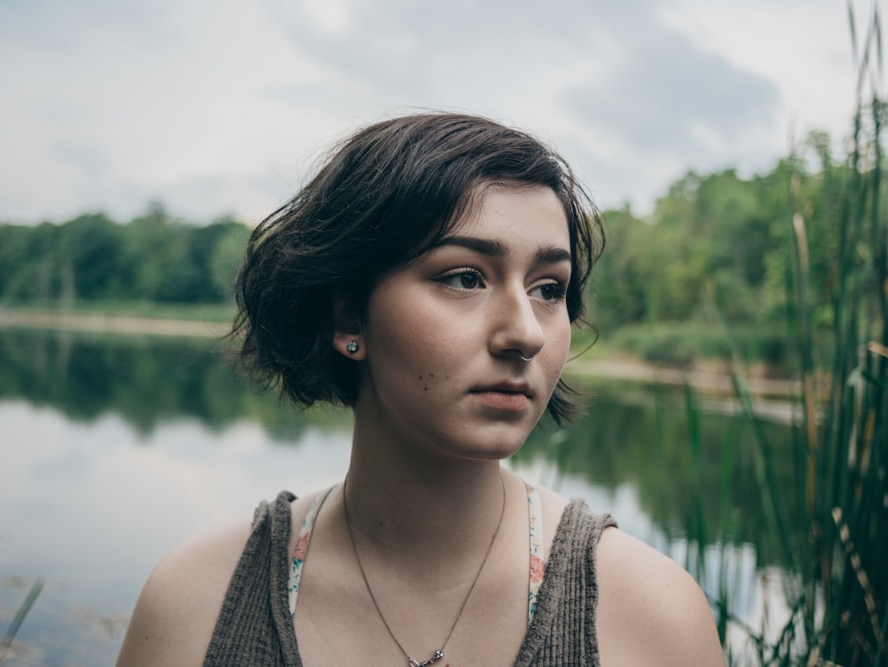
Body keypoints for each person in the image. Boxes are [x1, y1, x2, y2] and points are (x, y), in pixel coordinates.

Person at [116, 112, 724, 666]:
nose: (525, 334)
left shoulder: (653, 619)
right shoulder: (195, 606)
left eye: (548, 288)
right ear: (350, 317)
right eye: (465, 277)